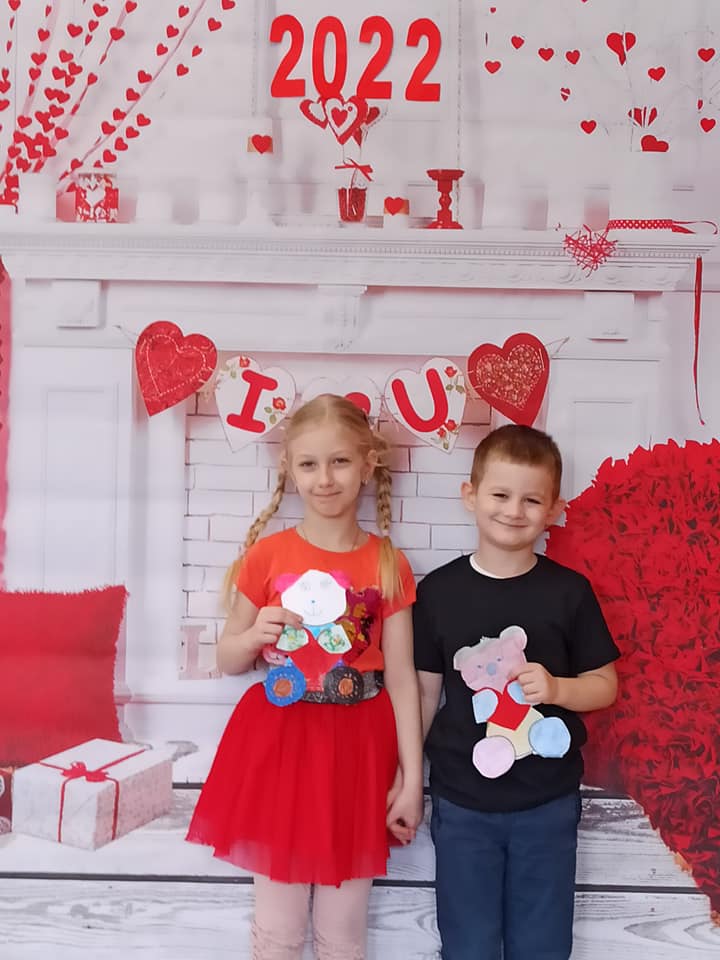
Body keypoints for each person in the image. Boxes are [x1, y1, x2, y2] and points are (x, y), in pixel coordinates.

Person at [187, 394, 424, 960]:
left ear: (367, 464)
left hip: (359, 750)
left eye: (339, 462)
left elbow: (402, 680)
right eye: (310, 464)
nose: (325, 478)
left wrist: (412, 779)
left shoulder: (389, 562)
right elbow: (227, 656)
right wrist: (254, 635)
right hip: (281, 744)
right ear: (289, 469)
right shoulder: (268, 556)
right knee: (277, 929)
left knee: (344, 933)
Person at [414, 424, 619, 960]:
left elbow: (605, 686)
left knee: (542, 945)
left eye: (531, 499)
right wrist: (406, 778)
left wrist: (557, 687)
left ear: (554, 509)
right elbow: (423, 697)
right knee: (468, 945)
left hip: (547, 804)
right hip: (462, 803)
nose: (513, 510)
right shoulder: (437, 593)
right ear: (470, 495)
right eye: (500, 494)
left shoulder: (569, 593)